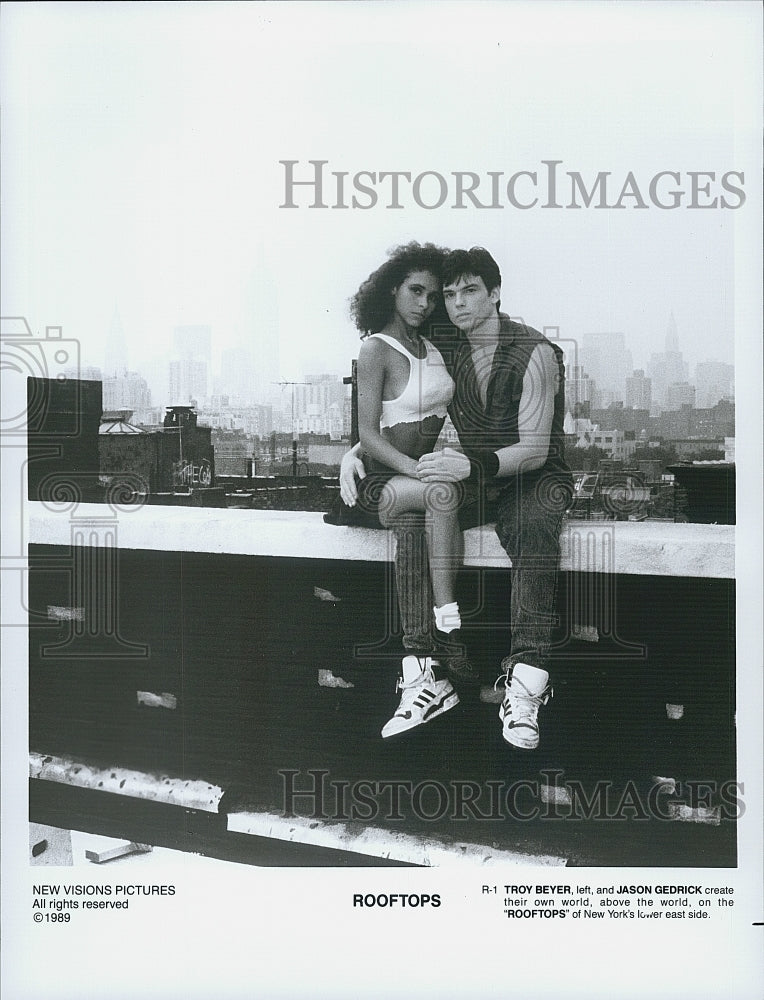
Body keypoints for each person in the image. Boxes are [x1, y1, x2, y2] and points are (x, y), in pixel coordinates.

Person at [341, 246, 572, 749]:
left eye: (470, 291)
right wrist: (355, 450)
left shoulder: (536, 352)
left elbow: (534, 450)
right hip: (474, 477)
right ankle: (424, 669)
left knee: (532, 528)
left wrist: (474, 465)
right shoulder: (448, 339)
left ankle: (527, 681)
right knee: (416, 513)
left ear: (494, 293)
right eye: (450, 294)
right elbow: (408, 401)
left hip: (534, 477)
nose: (458, 303)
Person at [345, 242, 475, 738]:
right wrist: (409, 468)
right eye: (415, 291)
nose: (424, 303)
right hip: (385, 477)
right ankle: (447, 622)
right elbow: (370, 432)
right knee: (441, 494)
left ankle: (425, 667)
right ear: (392, 290)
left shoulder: (435, 347)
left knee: (431, 507)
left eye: (432, 295)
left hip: (415, 477)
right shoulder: (375, 348)